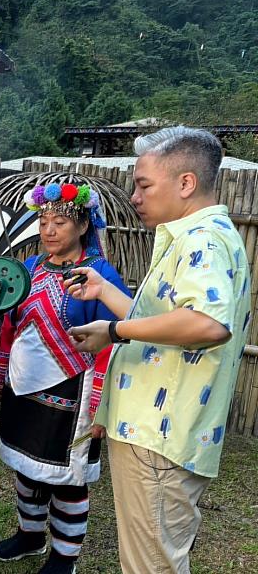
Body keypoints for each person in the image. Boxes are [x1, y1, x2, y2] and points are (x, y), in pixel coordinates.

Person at [67, 126, 252, 574]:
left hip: (159, 439)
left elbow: (208, 324)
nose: (134, 196)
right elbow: (163, 327)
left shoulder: (202, 240)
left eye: (144, 184)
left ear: (185, 183)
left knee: (151, 566)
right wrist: (107, 294)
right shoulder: (194, 237)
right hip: (154, 433)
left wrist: (112, 330)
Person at [0, 182, 130, 574]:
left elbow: (118, 335)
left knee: (67, 480)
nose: (49, 230)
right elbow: (9, 322)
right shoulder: (30, 269)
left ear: (84, 225)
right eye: (44, 221)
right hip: (24, 385)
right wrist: (3, 371)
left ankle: (63, 557)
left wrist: (101, 402)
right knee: (25, 465)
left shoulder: (99, 275)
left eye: (60, 222)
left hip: (73, 392)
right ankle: (31, 535)